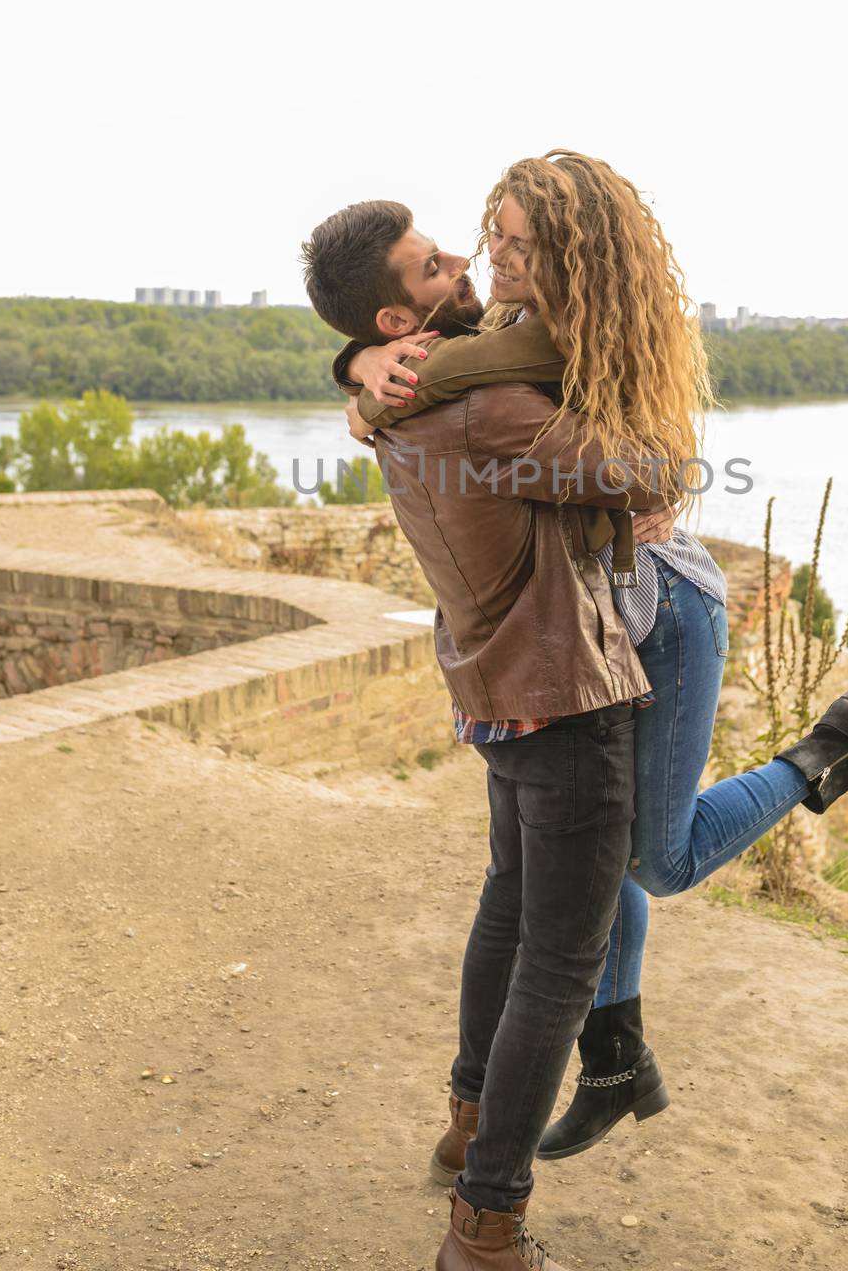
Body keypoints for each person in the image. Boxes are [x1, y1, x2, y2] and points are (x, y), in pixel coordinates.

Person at [337, 151, 848, 1180]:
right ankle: (615, 1058)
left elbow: (637, 458)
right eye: (490, 237)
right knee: (586, 864)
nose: (492, 256)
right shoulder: (493, 343)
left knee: (651, 860)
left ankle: (836, 744)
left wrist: (380, 390)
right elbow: (413, 366)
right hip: (590, 627)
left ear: (566, 251)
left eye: (514, 242)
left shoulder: (558, 347)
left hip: (666, 611)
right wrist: (355, 371)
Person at [302, 198, 675, 1271]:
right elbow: (647, 474)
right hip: (565, 694)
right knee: (561, 965)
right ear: (395, 312)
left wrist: (351, 375)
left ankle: (468, 1120)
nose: (462, 261)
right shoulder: (490, 404)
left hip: (496, 691)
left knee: (509, 913)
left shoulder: (412, 392)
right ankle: (487, 1219)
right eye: (433, 264)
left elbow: (416, 375)